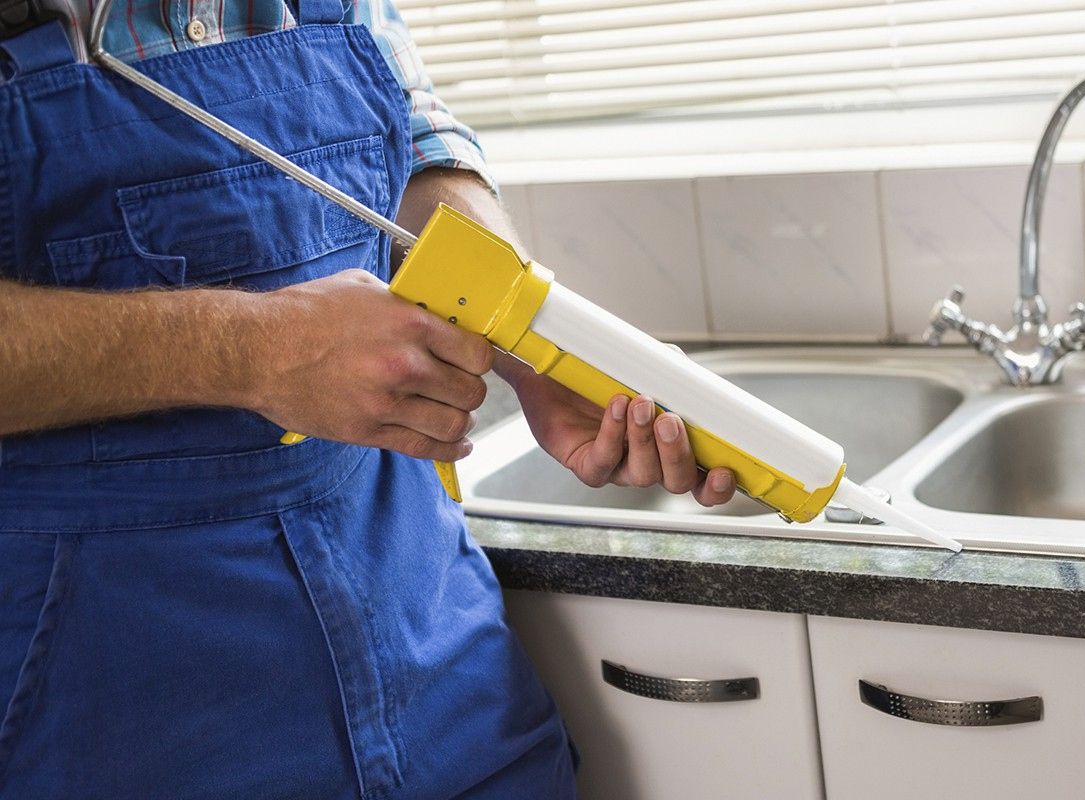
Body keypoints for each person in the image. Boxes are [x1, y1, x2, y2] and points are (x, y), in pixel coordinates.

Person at [0, 0, 738, 795]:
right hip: (108, 696)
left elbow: (413, 137)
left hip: (435, 650)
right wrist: (253, 350)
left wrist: (532, 339)